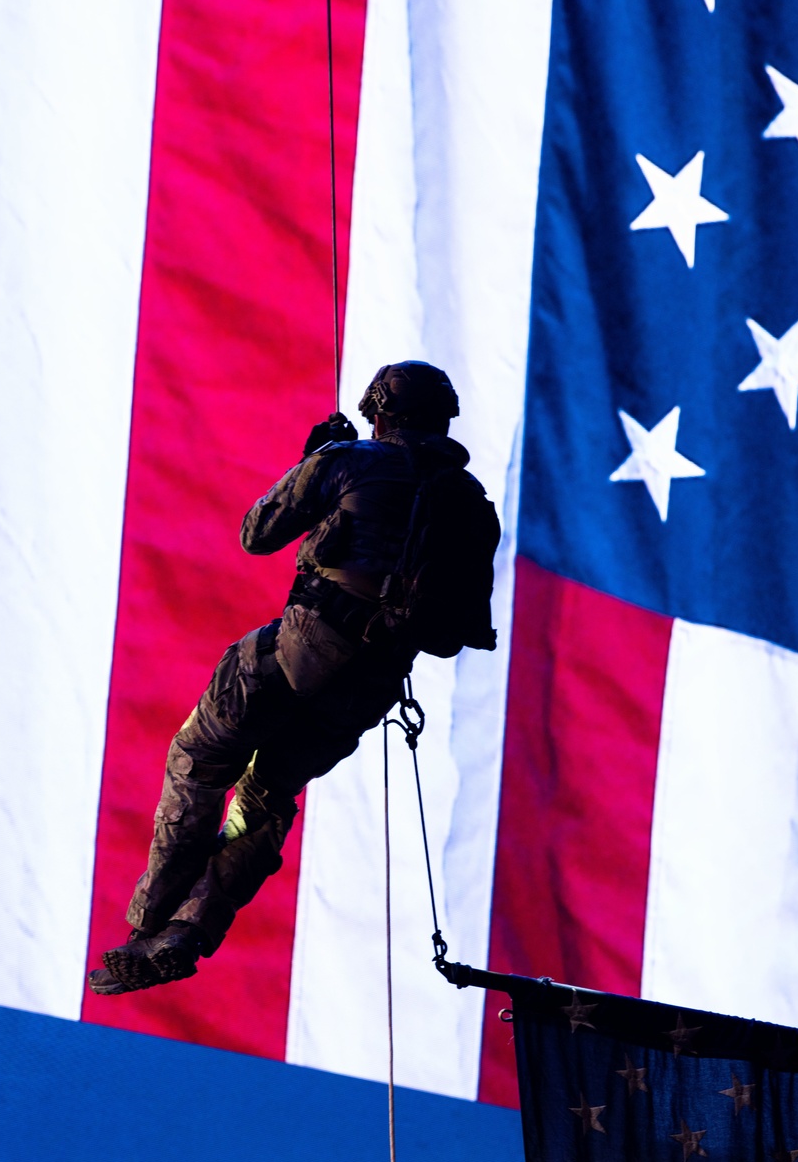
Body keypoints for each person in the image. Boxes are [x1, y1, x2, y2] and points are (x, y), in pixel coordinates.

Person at [89, 361, 499, 994]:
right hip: (371, 686)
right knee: (266, 795)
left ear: (380, 413)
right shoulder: (472, 509)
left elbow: (258, 534)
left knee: (198, 759)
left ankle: (149, 924)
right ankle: (190, 932)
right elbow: (454, 634)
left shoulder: (352, 460)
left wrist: (315, 459)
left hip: (299, 653)